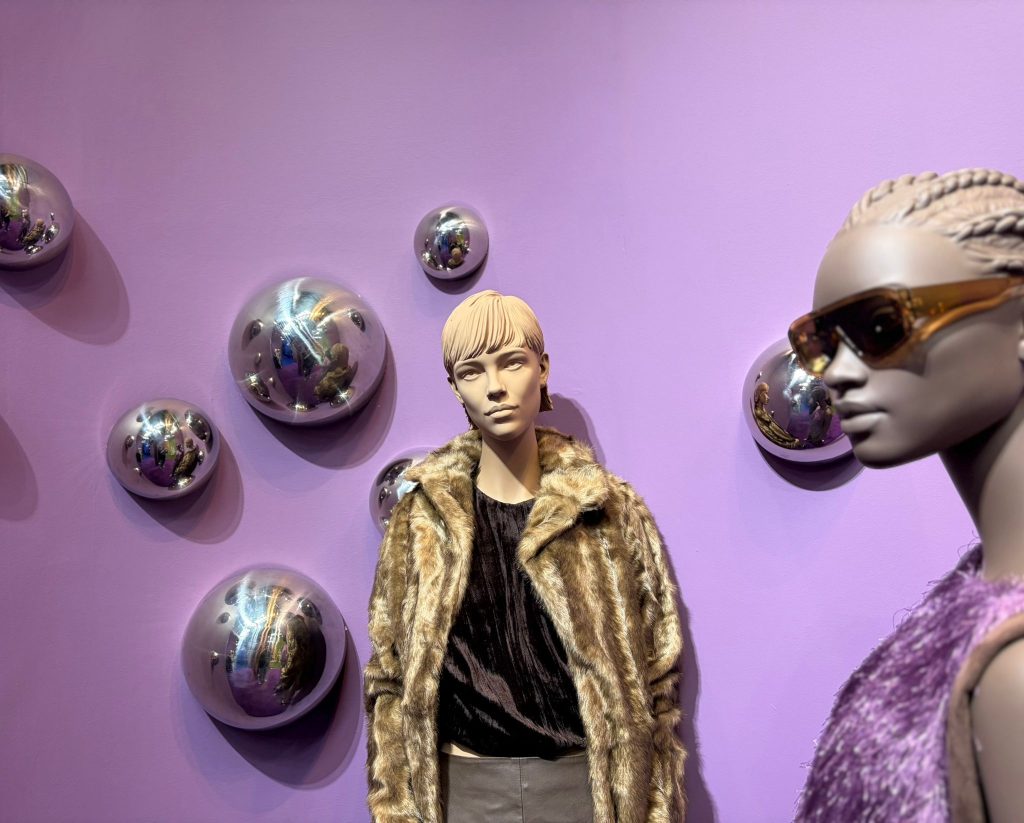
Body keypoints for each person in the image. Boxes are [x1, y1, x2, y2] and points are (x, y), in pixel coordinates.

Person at [364, 290, 685, 822]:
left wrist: (656, 808)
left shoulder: (607, 512)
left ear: (543, 368)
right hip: (462, 791)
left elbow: (658, 674)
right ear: (455, 388)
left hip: (585, 790)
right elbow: (391, 676)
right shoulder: (421, 521)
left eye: (512, 362)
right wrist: (396, 809)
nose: (495, 386)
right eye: (472, 371)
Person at [787, 169, 1024, 821]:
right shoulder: (968, 607)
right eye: (821, 342)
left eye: (881, 326)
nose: (836, 373)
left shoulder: (1012, 670)